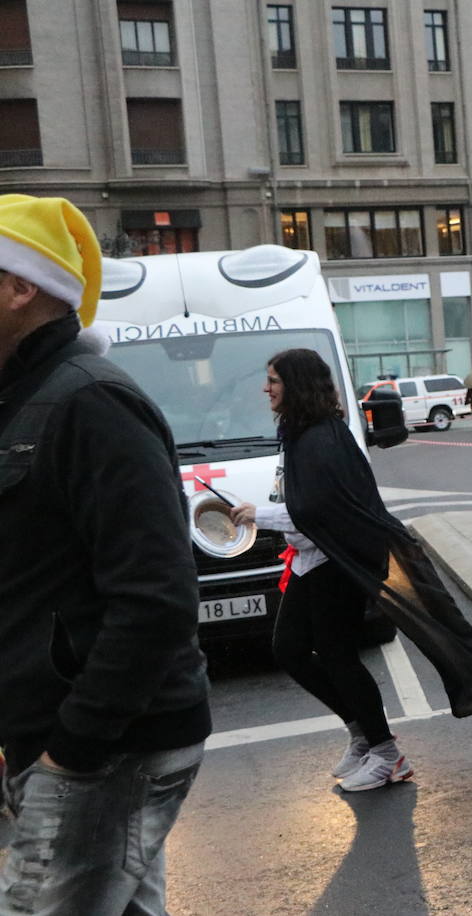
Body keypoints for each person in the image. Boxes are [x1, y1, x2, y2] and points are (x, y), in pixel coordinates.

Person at [0, 194, 212, 913]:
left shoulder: (89, 404)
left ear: (19, 287)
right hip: (59, 733)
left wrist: (74, 748)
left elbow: (156, 598)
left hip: (110, 743)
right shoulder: (26, 400)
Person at [230, 349, 472, 790]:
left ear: (296, 386)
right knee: (290, 649)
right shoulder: (303, 433)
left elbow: (318, 509)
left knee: (336, 655)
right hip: (312, 560)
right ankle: (364, 734)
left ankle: (386, 753)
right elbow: (307, 502)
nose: (267, 388)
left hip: (335, 562)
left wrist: (256, 515)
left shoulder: (320, 437)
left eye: (274, 381)